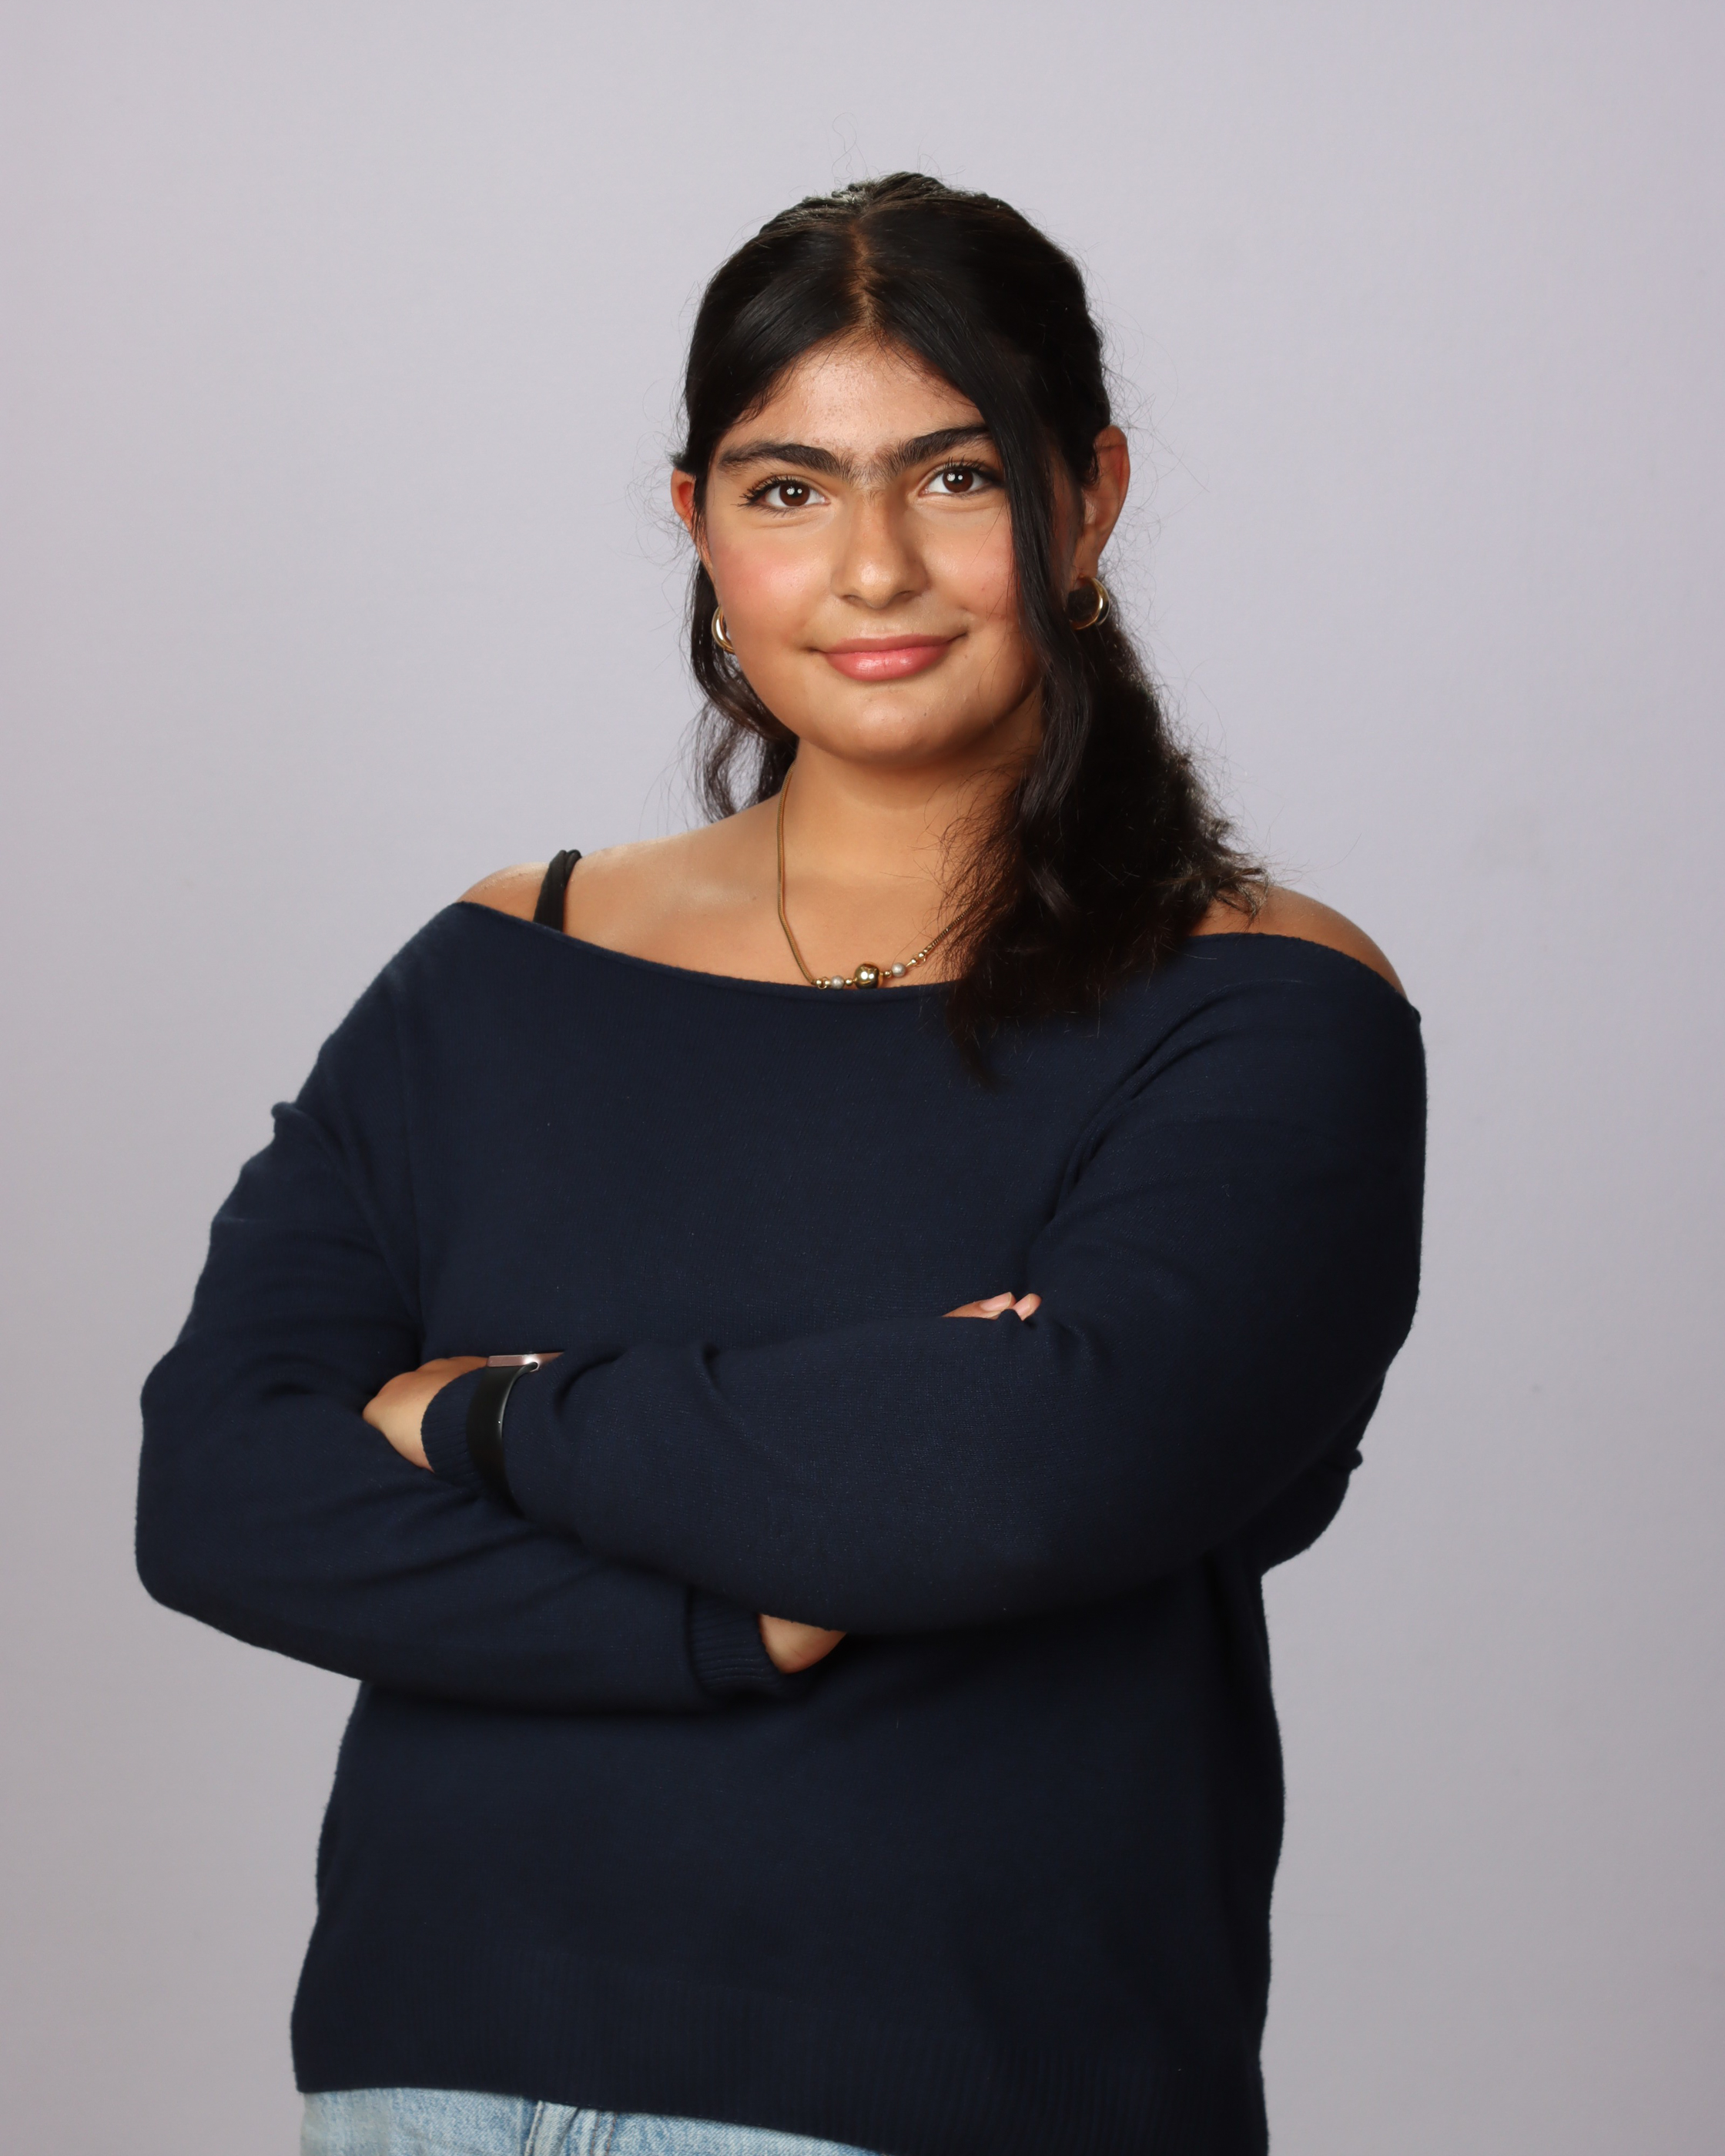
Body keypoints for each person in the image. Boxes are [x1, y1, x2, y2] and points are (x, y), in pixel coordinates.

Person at [137, 174, 1425, 2156]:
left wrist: (481, 1414)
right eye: (790, 487)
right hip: (430, 2071)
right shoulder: (500, 966)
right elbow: (222, 1487)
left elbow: (1016, 1477)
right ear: (699, 525)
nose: (874, 567)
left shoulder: (1262, 1002)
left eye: (956, 478)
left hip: (954, 2089)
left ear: (1087, 498)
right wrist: (733, 1610)